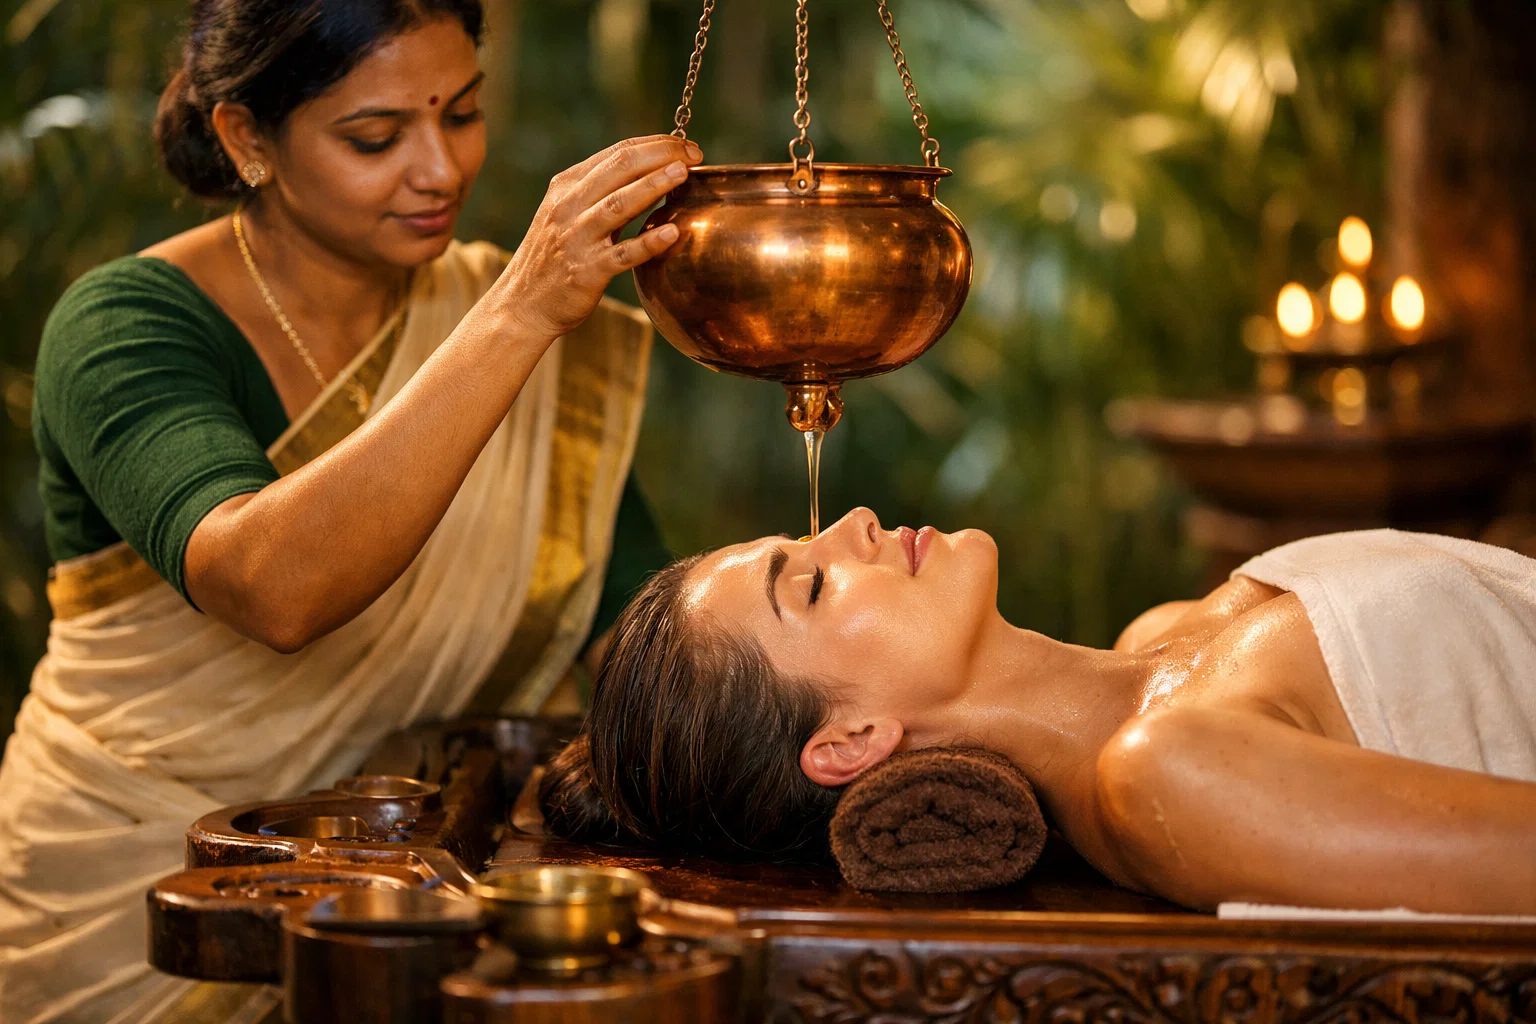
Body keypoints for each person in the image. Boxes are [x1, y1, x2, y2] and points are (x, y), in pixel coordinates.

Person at [0, 0, 698, 1019]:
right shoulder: (123, 327)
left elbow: (631, 630)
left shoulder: (494, 328)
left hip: (404, 894)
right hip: (126, 895)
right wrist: (519, 311)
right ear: (247, 139)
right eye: (376, 137)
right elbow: (273, 589)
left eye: (461, 115)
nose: (440, 170)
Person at [542, 507, 1536, 914]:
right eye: (809, 586)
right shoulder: (1169, 778)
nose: (853, 524)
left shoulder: (1168, 634)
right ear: (851, 741)